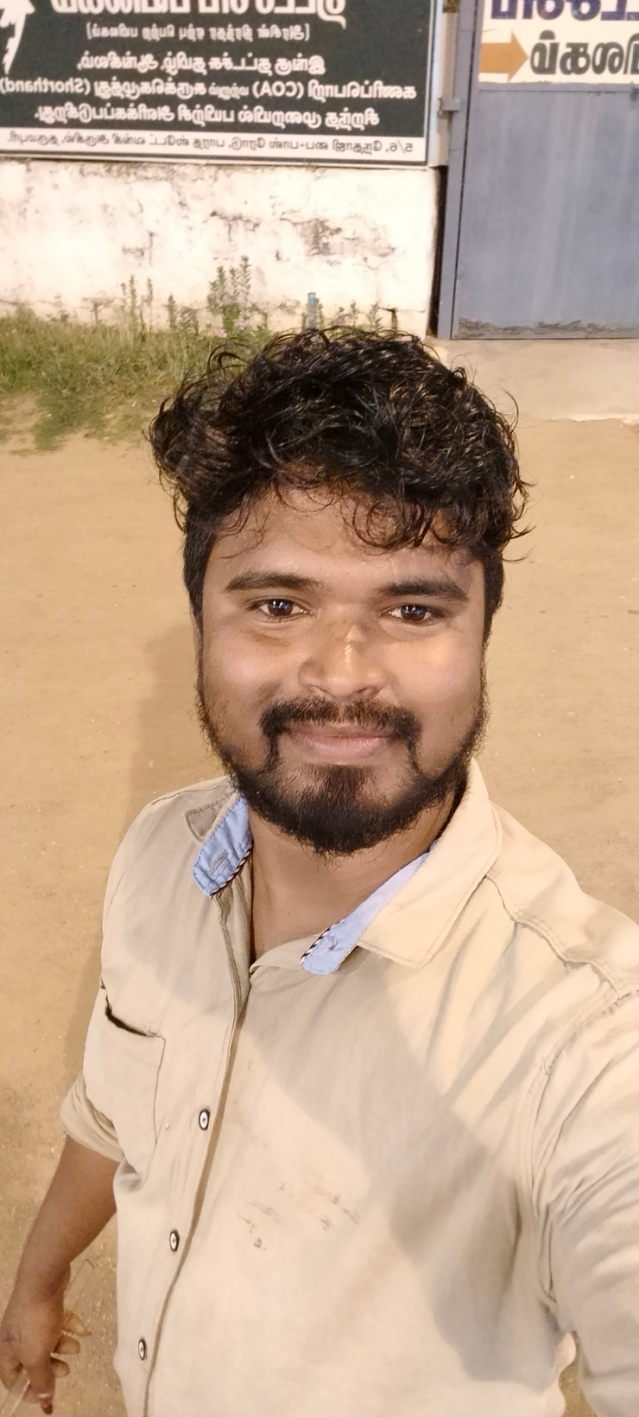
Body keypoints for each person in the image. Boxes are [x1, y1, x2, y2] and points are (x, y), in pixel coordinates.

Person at [1, 331, 637, 1417]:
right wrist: (38, 1276)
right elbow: (112, 1108)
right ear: (200, 619)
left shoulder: (588, 1046)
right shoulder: (162, 851)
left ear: (483, 634)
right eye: (278, 604)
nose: (342, 677)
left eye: (412, 609)